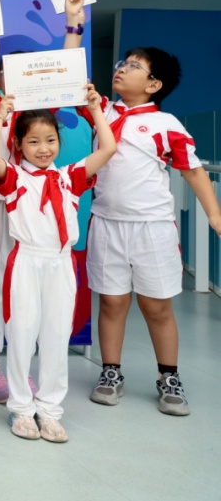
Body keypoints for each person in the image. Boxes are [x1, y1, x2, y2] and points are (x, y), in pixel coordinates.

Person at [83, 47, 221, 415]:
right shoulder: (101, 110)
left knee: (157, 306)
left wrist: (215, 216)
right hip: (107, 223)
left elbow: (193, 170)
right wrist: (74, 27)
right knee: (112, 302)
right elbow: (68, 80)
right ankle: (111, 372)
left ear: (153, 84)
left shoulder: (167, 123)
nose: (121, 69)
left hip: (153, 228)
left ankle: (169, 376)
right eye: (122, 63)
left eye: (133, 66)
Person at [0, 89, 116, 442]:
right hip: (26, 261)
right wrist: (1, 117)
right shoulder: (14, 178)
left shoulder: (69, 177)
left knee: (57, 336)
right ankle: (21, 408)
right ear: (19, 144)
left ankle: (50, 409)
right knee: (22, 334)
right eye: (33, 142)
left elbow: (107, 149)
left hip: (61, 263)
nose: (43, 149)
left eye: (50, 140)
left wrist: (95, 111)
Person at [0, 0, 87, 402]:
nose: (17, 81)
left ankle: (23, 369)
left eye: (28, 74)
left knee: (32, 295)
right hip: (1, 207)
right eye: (10, 75)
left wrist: (72, 23)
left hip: (37, 212)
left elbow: (65, 70)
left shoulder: (42, 113)